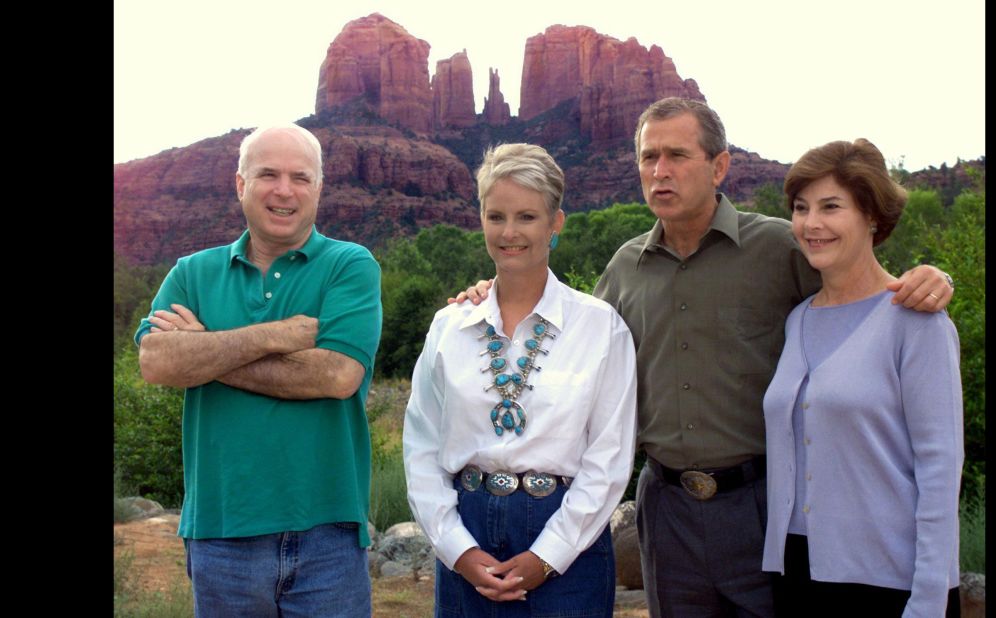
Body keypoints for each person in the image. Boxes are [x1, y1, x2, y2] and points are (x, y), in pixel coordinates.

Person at [453, 98, 956, 617]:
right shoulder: (626, 267)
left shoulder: (781, 248)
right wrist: (494, 292)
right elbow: (563, 340)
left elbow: (863, 293)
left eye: (677, 155)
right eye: (649, 158)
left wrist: (932, 278)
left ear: (719, 166)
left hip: (762, 509)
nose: (660, 171)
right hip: (666, 510)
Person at [134, 123, 382, 616]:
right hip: (220, 533)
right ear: (241, 184)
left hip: (327, 534)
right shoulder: (192, 271)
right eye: (268, 174)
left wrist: (203, 352)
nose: (284, 190)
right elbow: (156, 361)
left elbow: (335, 376)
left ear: (319, 188)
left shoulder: (350, 265)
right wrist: (275, 335)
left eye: (300, 177)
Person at [403, 143, 638, 617]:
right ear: (481, 219)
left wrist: (547, 555)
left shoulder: (600, 327)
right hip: (467, 537)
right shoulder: (450, 327)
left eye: (527, 217)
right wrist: (458, 549)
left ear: (556, 223)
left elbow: (609, 456)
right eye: (496, 216)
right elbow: (422, 445)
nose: (510, 233)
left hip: (567, 542)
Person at [761, 138, 963, 617]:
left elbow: (940, 470)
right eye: (801, 207)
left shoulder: (917, 322)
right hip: (795, 573)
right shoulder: (798, 320)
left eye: (832, 207)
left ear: (872, 215)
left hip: (889, 582)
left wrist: (930, 599)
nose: (812, 224)